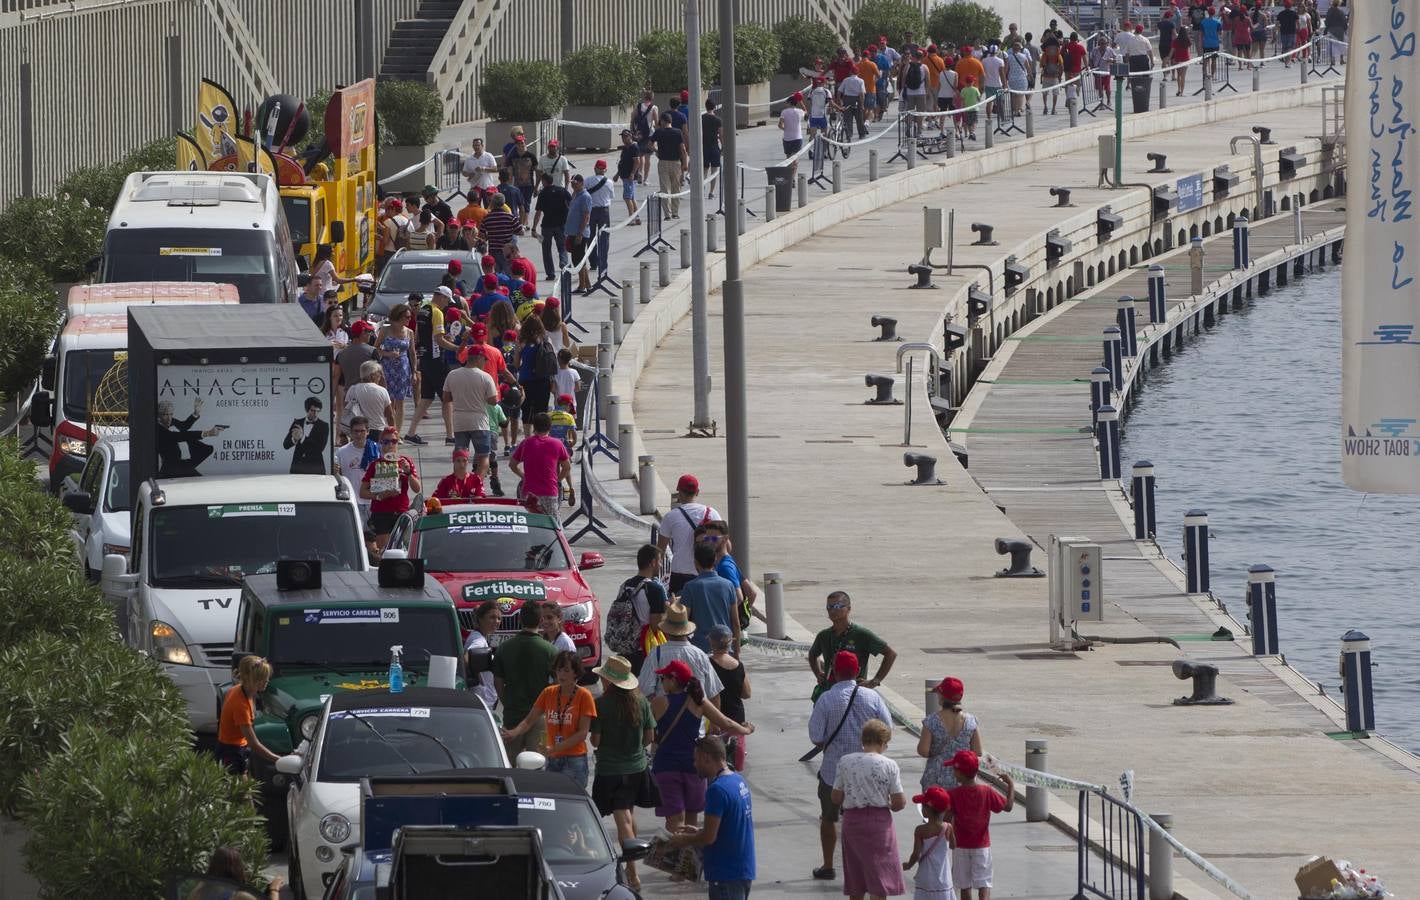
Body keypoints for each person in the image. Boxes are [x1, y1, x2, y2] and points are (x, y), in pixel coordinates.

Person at [809, 651, 893, 882]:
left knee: (829, 818)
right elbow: (887, 728)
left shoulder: (826, 699)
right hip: (869, 772)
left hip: (833, 771)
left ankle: (828, 865)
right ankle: (864, 865)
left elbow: (815, 736)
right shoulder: (872, 697)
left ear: (833, 672)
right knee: (864, 820)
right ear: (858, 672)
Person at [649, 659, 753, 834]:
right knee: (692, 820)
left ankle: (675, 859)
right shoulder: (698, 702)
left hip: (666, 766)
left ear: (673, 679)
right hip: (695, 766)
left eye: (663, 679)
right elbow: (726, 723)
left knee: (674, 821)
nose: (662, 683)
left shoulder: (658, 703)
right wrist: (746, 729)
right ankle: (688, 860)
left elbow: (649, 734)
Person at [590, 655, 660, 892]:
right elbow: (650, 737)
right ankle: (634, 855)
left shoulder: (601, 704)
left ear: (608, 681)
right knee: (629, 816)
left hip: (611, 770)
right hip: (637, 768)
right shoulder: (640, 701)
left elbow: (596, 740)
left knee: (623, 821)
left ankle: (632, 872)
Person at [667, 736, 755, 900]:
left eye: (696, 759)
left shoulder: (716, 790)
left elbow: (709, 837)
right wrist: (700, 830)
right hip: (743, 869)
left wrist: (684, 840)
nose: (694, 765)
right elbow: (730, 826)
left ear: (706, 757)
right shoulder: (738, 781)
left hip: (725, 874)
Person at [833, 719, 907, 900]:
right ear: (882, 742)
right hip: (879, 823)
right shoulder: (889, 765)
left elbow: (836, 797)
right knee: (880, 877)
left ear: (864, 739)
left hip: (852, 821)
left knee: (855, 875)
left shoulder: (845, 761)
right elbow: (899, 802)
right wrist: (887, 803)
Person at [503, 650, 596, 788]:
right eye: (559, 670)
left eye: (566, 670)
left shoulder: (584, 696)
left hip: (574, 760)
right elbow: (529, 721)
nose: (561, 674)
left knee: (570, 803)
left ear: (576, 673)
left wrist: (555, 748)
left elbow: (582, 733)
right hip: (552, 759)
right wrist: (514, 732)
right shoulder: (549, 692)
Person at [492, 601, 558, 758]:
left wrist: (507, 702)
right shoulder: (550, 650)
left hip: (513, 715)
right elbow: (557, 684)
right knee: (536, 763)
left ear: (520, 620)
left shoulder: (504, 648)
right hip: (539, 717)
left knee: (510, 764)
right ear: (540, 620)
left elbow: (498, 682)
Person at [947, 750, 1014, 900]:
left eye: (954, 769)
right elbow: (1008, 807)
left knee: (964, 886)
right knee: (984, 884)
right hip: (982, 846)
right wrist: (1010, 785)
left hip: (960, 846)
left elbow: (947, 818)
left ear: (959, 773)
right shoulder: (987, 791)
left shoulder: (953, 794)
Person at [808, 591, 897, 702]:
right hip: (830, 692)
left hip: (855, 695)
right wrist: (818, 673)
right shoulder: (824, 635)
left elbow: (890, 654)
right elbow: (812, 654)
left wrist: (874, 681)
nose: (832, 610)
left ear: (848, 609)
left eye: (837, 606)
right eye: (829, 607)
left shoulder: (861, 634)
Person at [637, 602, 723, 701]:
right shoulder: (700, 655)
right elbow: (713, 693)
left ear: (666, 630)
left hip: (664, 713)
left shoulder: (656, 654)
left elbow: (644, 689)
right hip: (695, 714)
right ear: (687, 630)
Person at [607, 544, 668, 674]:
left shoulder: (625, 586)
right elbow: (656, 626)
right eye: (660, 561)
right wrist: (669, 609)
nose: (661, 565)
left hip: (624, 648)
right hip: (643, 650)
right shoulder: (655, 589)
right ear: (653, 562)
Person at [657, 473, 722, 594]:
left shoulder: (670, 517)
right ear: (697, 492)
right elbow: (723, 543)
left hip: (680, 576)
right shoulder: (712, 513)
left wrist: (654, 577)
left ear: (679, 492)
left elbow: (659, 550)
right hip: (707, 573)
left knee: (680, 611)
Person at [917, 676, 983, 792]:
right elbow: (978, 751)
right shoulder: (971, 720)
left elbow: (923, 750)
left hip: (936, 778)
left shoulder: (931, 721)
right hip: (963, 778)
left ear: (942, 697)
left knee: (937, 809)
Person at [216, 655, 280, 775]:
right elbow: (254, 744)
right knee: (238, 791)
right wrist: (279, 760)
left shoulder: (238, 690)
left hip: (235, 747)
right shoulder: (241, 705)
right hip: (231, 752)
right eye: (262, 678)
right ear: (250, 679)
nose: (267, 681)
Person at [443, 347, 500, 479]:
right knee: (483, 457)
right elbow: (493, 401)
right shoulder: (485, 377)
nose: (485, 363)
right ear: (479, 358)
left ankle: (459, 486)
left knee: (460, 457)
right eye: (484, 360)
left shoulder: (453, 374)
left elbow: (446, 398)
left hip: (459, 421)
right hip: (479, 421)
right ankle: (476, 486)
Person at [409, 287, 457, 445]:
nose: (447, 305)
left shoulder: (423, 310)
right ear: (441, 297)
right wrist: (457, 348)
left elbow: (417, 335)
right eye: (447, 301)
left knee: (427, 398)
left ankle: (410, 433)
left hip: (425, 359)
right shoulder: (437, 312)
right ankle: (450, 436)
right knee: (447, 397)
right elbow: (439, 340)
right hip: (436, 360)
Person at [360, 428, 419, 545]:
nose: (390, 444)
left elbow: (417, 489)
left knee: (403, 549)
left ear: (398, 443)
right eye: (386, 442)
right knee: (385, 552)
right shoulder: (375, 465)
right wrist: (379, 496)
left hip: (401, 511)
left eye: (394, 441)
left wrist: (408, 472)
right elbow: (362, 492)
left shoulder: (406, 461)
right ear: (381, 443)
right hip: (381, 513)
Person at [680, 541, 740, 653]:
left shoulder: (690, 587)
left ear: (695, 563)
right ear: (715, 560)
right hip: (725, 648)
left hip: (700, 649)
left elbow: (684, 622)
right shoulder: (729, 585)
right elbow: (736, 623)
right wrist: (737, 652)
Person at [509, 411, 572, 517]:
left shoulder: (526, 443)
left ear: (534, 426)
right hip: (549, 491)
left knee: (531, 524)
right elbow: (567, 467)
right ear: (550, 426)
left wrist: (524, 476)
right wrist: (557, 480)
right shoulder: (557, 444)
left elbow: (512, 465)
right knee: (552, 524)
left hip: (529, 492)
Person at [697, 519, 756, 630]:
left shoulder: (725, 567)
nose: (709, 542)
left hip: (723, 628)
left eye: (714, 539)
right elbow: (751, 593)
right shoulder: (727, 560)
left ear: (725, 539)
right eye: (707, 538)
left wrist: (725, 617)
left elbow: (739, 597)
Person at [707, 624, 750, 771]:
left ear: (712, 642)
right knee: (734, 763)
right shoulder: (738, 665)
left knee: (714, 764)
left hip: (714, 719)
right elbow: (746, 694)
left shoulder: (707, 663)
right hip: (737, 719)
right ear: (730, 642)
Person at [903, 786, 954, 900]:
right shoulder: (948, 827)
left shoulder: (920, 830)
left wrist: (908, 865)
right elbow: (953, 846)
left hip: (925, 878)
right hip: (944, 878)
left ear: (926, 809)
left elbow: (916, 854)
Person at [375, 300, 418, 435]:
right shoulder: (385, 330)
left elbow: (412, 352)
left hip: (403, 368)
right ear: (398, 316)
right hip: (387, 368)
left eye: (410, 317)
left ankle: (397, 433)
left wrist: (414, 371)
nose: (409, 319)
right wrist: (388, 354)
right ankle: (389, 428)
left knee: (400, 401)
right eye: (407, 317)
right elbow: (375, 349)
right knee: (388, 401)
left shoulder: (409, 332)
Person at [156, 398, 218, 476]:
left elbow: (183, 426)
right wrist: (207, 433)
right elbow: (180, 436)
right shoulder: (158, 429)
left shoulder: (168, 420)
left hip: (179, 464)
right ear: (159, 415)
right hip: (170, 468)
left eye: (171, 414)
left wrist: (195, 413)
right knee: (198, 478)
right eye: (165, 414)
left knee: (207, 450)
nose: (169, 418)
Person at [335, 416, 377, 524]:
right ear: (351, 432)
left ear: (368, 432)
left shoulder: (376, 450)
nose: (359, 434)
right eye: (356, 431)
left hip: (372, 502)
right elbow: (337, 476)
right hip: (351, 502)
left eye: (362, 431)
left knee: (372, 538)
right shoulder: (341, 452)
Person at [531, 171, 571, 282]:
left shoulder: (543, 193)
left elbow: (538, 212)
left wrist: (534, 228)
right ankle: (563, 264)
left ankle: (550, 273)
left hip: (547, 225)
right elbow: (571, 203)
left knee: (546, 250)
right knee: (562, 247)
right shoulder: (562, 191)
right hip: (561, 225)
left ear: (544, 181)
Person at [464, 599, 500, 712]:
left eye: (499, 618)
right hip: (482, 703)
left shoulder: (480, 637)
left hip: (485, 701)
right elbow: (466, 658)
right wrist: (478, 681)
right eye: (492, 617)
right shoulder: (478, 640)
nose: (497, 621)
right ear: (481, 618)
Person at [651, 112, 688, 219]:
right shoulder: (677, 132)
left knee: (665, 189)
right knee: (676, 188)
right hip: (676, 163)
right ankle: (675, 213)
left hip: (663, 162)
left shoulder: (659, 132)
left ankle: (667, 214)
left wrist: (657, 151)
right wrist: (685, 163)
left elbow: (649, 144)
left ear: (663, 121)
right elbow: (683, 149)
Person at [342, 359, 394, 435]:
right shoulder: (382, 390)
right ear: (372, 375)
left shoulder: (352, 389)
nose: (380, 376)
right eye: (379, 373)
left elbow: (346, 411)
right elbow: (389, 415)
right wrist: (393, 431)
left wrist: (342, 434)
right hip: (377, 430)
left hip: (358, 431)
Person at [283, 396, 329, 475]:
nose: (315, 414)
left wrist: (302, 437)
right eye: (312, 410)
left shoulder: (324, 426)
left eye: (318, 411)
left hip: (316, 468)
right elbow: (285, 445)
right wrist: (294, 439)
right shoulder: (297, 423)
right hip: (297, 467)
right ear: (306, 409)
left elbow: (320, 448)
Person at [613, 128, 641, 221]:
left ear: (631, 136)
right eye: (623, 137)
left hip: (629, 177)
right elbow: (622, 162)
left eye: (626, 137)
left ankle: (631, 218)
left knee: (627, 197)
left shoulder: (634, 147)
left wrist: (632, 174)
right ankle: (636, 217)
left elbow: (637, 162)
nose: (624, 139)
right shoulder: (625, 148)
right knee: (631, 198)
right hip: (624, 175)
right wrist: (617, 174)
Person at [779, 92, 807, 177]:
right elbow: (806, 111)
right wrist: (800, 101)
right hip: (797, 138)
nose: (786, 104)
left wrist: (785, 129)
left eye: (787, 103)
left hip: (787, 138)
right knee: (795, 159)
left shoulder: (784, 112)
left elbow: (780, 125)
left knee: (788, 159)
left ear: (789, 103)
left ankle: (788, 178)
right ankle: (792, 178)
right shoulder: (799, 112)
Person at [1171, 26, 1192, 95]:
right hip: (1185, 59)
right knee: (1183, 76)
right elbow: (1189, 49)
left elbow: (1173, 50)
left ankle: (1178, 89)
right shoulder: (1187, 40)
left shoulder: (1175, 41)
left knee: (1179, 75)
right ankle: (1182, 92)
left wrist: (1170, 58)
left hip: (1178, 59)